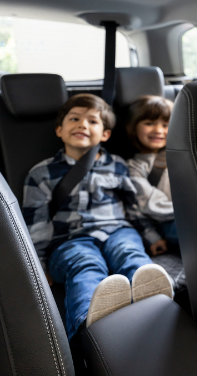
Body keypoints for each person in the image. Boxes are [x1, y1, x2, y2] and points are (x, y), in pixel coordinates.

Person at [22, 93, 174, 342]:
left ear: (105, 134)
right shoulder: (41, 173)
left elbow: (132, 207)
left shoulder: (117, 165)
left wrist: (151, 235)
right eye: (75, 119)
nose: (83, 125)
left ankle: (156, 304)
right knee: (85, 266)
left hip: (118, 230)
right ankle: (89, 333)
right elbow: (35, 223)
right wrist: (39, 264)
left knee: (130, 253)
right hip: (70, 240)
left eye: (92, 121)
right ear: (60, 130)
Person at [126, 95, 178, 249]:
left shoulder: (183, 156)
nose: (158, 130)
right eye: (149, 123)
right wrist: (196, 212)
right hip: (167, 222)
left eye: (166, 125)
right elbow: (151, 204)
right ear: (133, 128)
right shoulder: (134, 166)